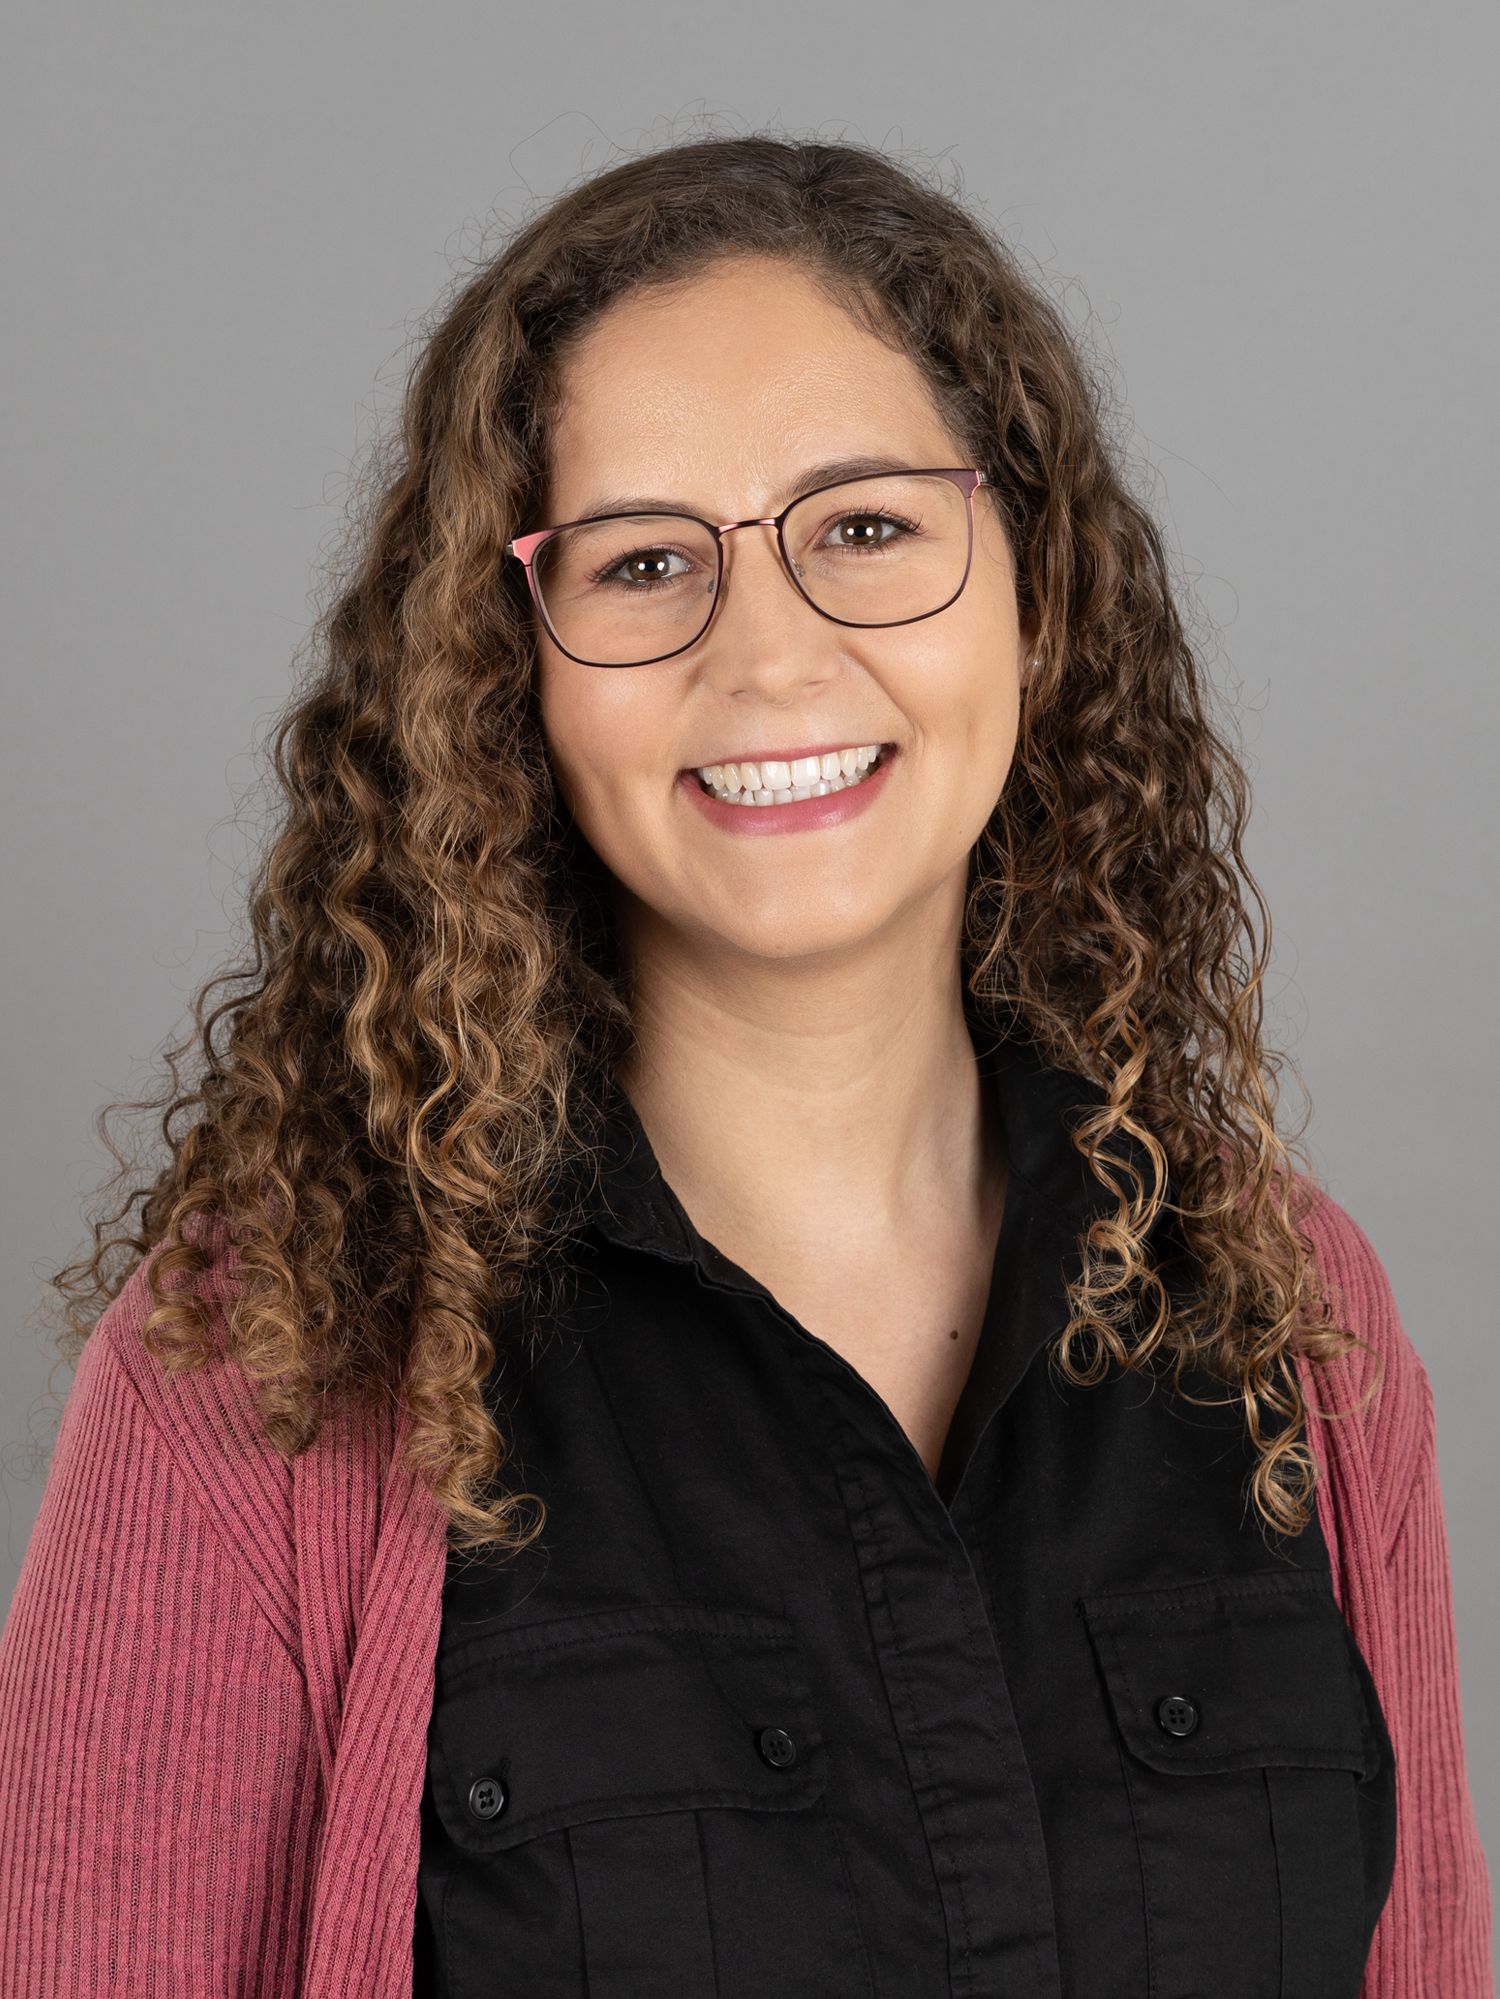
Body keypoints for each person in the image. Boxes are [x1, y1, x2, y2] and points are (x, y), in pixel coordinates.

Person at [0, 133, 1490, 1999]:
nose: (770, 657)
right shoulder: (272, 1370)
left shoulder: (1293, 1321)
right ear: (508, 672)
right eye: (643, 564)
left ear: (1033, 589)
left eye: (868, 527)